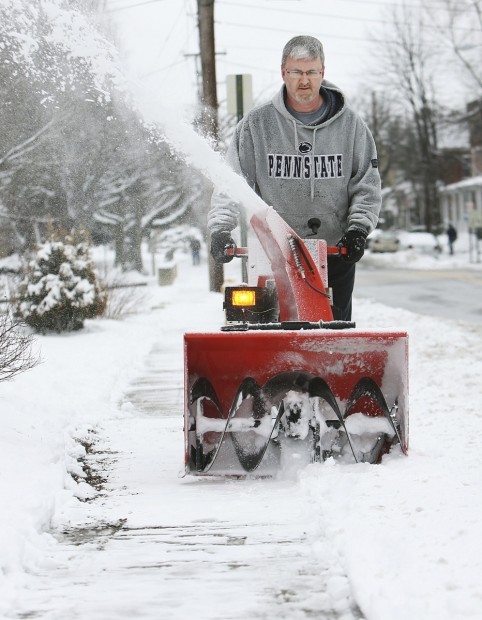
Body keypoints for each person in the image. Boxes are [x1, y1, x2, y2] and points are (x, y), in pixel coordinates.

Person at [207, 35, 381, 321]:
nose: (304, 81)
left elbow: (366, 184)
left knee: (332, 332)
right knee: (267, 327)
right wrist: (221, 228)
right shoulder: (256, 126)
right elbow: (231, 182)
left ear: (322, 73)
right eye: (297, 72)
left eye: (311, 72)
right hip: (273, 253)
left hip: (335, 252)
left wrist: (358, 230)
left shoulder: (351, 127)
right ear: (283, 72)